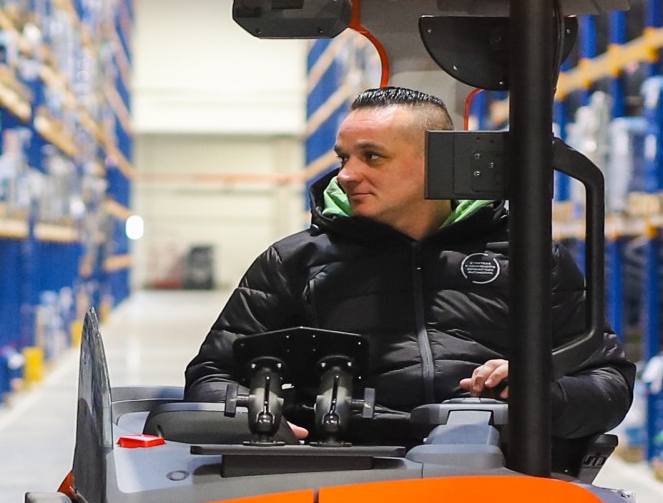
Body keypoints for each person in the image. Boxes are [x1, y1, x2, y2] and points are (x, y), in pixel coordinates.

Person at [186, 83, 634, 463]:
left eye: (372, 156)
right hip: (343, 476)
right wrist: (259, 415)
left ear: (437, 161)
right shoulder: (294, 262)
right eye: (344, 158)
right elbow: (211, 374)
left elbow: (608, 381)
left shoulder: (528, 258)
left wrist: (540, 392)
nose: (346, 176)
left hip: (498, 472)